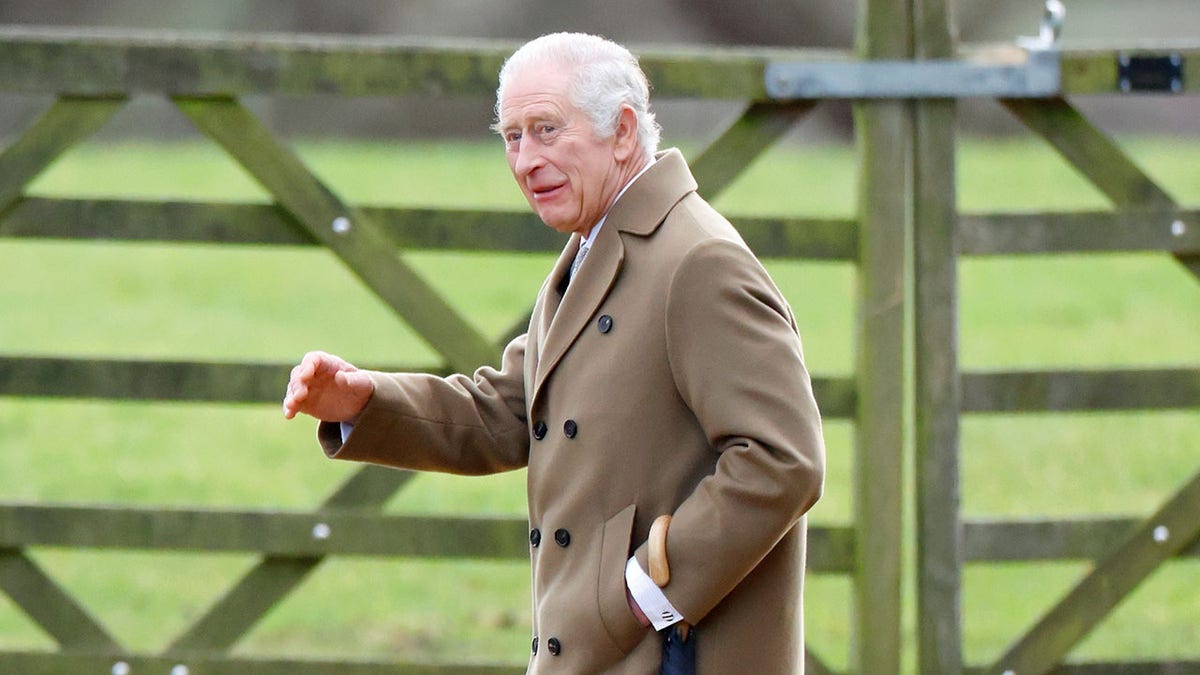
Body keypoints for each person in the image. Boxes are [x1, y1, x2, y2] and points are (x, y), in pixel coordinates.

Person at [283, 32, 825, 674]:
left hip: (673, 656)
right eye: (512, 136)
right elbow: (512, 411)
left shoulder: (697, 262)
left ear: (622, 132)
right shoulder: (599, 246)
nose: (524, 160)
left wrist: (646, 592)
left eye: (545, 129)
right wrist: (364, 402)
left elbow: (782, 460)